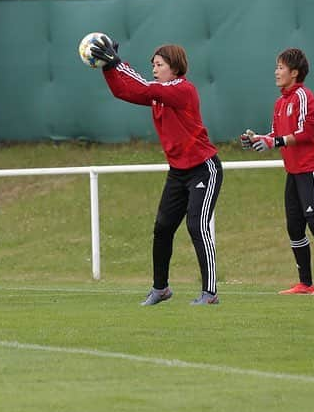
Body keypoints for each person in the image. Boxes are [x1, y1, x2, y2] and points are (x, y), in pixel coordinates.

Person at [90, 36, 222, 305]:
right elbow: (125, 91)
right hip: (178, 171)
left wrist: (118, 62)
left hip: (203, 169)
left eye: (159, 64)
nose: (154, 68)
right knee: (162, 228)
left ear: (174, 67)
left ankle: (210, 293)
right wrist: (108, 68)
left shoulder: (183, 89)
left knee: (197, 226)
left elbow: (145, 87)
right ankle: (160, 289)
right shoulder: (158, 96)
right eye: (153, 64)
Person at [240, 48, 314, 295]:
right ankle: (305, 283)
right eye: (276, 67)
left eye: (280, 67)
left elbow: (304, 133)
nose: (276, 72)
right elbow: (277, 135)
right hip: (294, 172)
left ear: (294, 73)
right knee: (294, 227)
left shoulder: (304, 97)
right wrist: (258, 140)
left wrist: (273, 142)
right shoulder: (280, 102)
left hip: (313, 169)